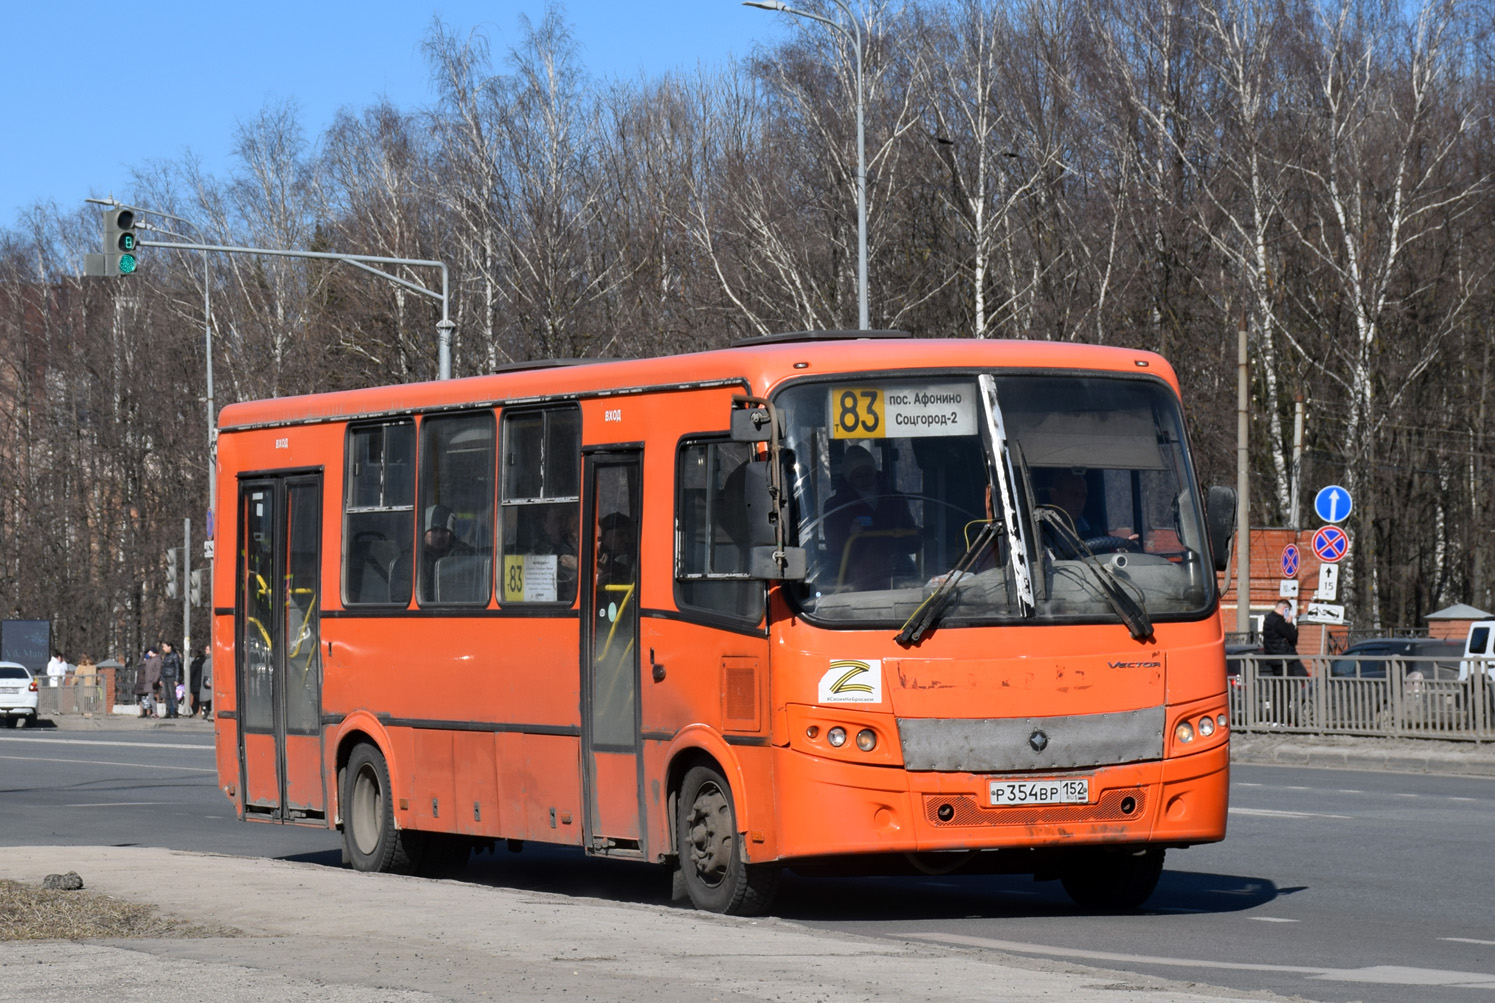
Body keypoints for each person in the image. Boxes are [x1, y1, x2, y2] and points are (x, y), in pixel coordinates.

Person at [823, 445, 917, 589]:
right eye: (858, 476)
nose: (864, 480)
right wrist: (850, 535)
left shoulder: (895, 499)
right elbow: (834, 549)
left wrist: (906, 534)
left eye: (868, 474)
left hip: (895, 572)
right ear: (848, 477)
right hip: (853, 576)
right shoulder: (835, 506)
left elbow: (914, 543)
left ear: (875, 471)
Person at [1262, 599, 1308, 677]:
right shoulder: (1279, 621)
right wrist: (1290, 623)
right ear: (1284, 609)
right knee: (1285, 685)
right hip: (1283, 658)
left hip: (1273, 657)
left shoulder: (1269, 618)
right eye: (1288, 611)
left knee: (1278, 684)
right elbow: (1293, 637)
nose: (1289, 613)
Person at [159, 640, 183, 718]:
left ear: (169, 647)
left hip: (172, 677)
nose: (163, 648)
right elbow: (163, 668)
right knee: (166, 695)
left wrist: (176, 679)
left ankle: (175, 710)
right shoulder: (166, 656)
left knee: (172, 694)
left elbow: (177, 668)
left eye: (164, 646)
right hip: (165, 677)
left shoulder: (175, 655)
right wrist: (161, 678)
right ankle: (168, 710)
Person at [135, 646, 161, 717]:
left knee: (151, 698)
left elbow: (158, 671)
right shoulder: (150, 659)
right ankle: (153, 712)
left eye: (149, 651)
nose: (148, 653)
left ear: (153, 652)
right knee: (149, 698)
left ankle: (155, 713)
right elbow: (142, 662)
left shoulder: (157, 659)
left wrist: (155, 680)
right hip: (148, 681)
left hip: (152, 681)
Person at [189, 645, 207, 717]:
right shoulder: (205, 661)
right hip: (203, 682)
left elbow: (191, 674)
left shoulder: (195, 663)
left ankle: (199, 711)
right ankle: (196, 711)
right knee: (197, 698)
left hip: (195, 683)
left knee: (197, 698)